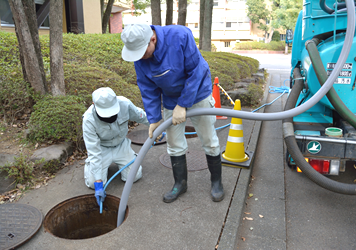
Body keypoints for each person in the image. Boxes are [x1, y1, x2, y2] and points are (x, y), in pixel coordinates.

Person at [121, 23, 224, 203]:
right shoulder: (140, 57)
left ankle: (216, 182)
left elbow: (196, 71)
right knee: (174, 143)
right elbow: (148, 88)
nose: (141, 58)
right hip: (171, 98)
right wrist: (154, 119)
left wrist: (183, 104)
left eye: (143, 53)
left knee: (209, 139)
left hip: (198, 93)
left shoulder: (180, 36)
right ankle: (180, 183)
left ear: (152, 39)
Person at [82, 87, 150, 206]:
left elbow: (142, 116)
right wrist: (98, 182)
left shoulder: (124, 104)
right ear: (94, 104)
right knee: (93, 183)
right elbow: (94, 150)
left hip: (121, 145)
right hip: (102, 149)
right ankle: (94, 168)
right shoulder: (89, 120)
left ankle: (127, 159)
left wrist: (156, 126)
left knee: (134, 176)